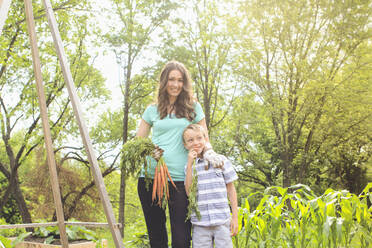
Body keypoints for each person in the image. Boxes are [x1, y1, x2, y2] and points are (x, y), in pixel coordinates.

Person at [136, 61, 224, 248]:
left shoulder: (193, 107)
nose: (175, 84)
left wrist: (211, 155)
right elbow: (138, 142)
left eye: (180, 80)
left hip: (182, 179)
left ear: (185, 83)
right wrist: (151, 151)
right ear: (164, 81)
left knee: (182, 238)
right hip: (151, 178)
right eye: (171, 79)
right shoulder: (152, 109)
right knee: (157, 237)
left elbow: (205, 139)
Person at [183, 124, 238, 248]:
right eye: (190, 140)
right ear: (186, 145)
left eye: (199, 138)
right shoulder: (189, 167)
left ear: (205, 140)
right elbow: (189, 192)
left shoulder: (220, 160)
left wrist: (235, 217)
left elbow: (231, 189)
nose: (196, 143)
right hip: (200, 224)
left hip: (222, 221)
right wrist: (190, 163)